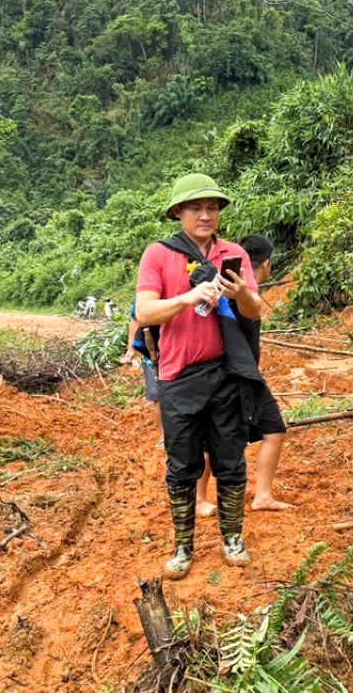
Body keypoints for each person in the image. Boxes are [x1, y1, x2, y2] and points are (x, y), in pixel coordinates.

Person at [135, 173, 264, 580]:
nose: (205, 215)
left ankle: (232, 538)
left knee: (231, 461)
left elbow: (254, 310)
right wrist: (189, 297)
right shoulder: (158, 254)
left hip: (226, 374)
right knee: (181, 465)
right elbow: (144, 313)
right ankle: (183, 545)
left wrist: (240, 292)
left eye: (212, 207)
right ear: (178, 212)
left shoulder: (234, 252)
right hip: (177, 376)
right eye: (196, 208)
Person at [195, 235, 292, 513]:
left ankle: (261, 496)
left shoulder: (243, 292)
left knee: (273, 429)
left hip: (245, 374)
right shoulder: (229, 290)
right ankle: (200, 499)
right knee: (210, 436)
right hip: (226, 372)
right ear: (268, 265)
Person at [124, 299, 163, 447]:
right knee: (157, 396)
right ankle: (163, 437)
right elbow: (135, 319)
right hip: (152, 352)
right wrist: (130, 348)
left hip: (178, 352)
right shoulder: (146, 293)